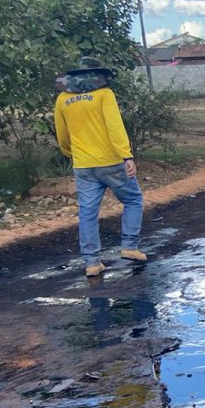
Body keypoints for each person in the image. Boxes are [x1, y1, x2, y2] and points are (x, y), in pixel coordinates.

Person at [54, 58, 147, 278]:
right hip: (111, 161)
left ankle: (92, 264)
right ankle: (129, 247)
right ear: (98, 75)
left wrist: (70, 153)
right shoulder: (105, 95)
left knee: (87, 212)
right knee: (133, 200)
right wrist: (126, 155)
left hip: (83, 164)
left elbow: (62, 134)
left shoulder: (63, 100)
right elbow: (114, 126)